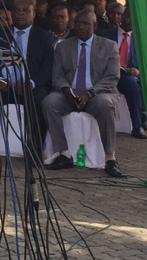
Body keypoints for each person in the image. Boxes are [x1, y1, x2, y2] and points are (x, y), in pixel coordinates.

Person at [43, 10, 124, 178]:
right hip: (69, 94)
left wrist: (90, 93)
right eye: (77, 23)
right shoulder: (63, 46)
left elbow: (112, 78)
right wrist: (66, 91)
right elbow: (57, 76)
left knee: (105, 104)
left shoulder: (109, 46)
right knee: (49, 102)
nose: (79, 26)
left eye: (85, 23)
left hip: (98, 93)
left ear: (94, 26)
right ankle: (63, 153)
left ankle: (110, 157)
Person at [0, 0, 55, 165]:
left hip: (31, 85)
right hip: (4, 85)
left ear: (33, 14)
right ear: (11, 14)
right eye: (17, 11)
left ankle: (34, 150)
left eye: (25, 11)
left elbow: (47, 68)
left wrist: (31, 83)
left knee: (40, 99)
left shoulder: (44, 37)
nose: (20, 14)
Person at [106, 4, 147, 139]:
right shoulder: (107, 34)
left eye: (134, 18)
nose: (130, 21)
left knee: (132, 84)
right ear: (122, 17)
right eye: (128, 17)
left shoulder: (139, 39)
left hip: (126, 75)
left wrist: (138, 70)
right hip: (107, 73)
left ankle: (137, 126)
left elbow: (144, 62)